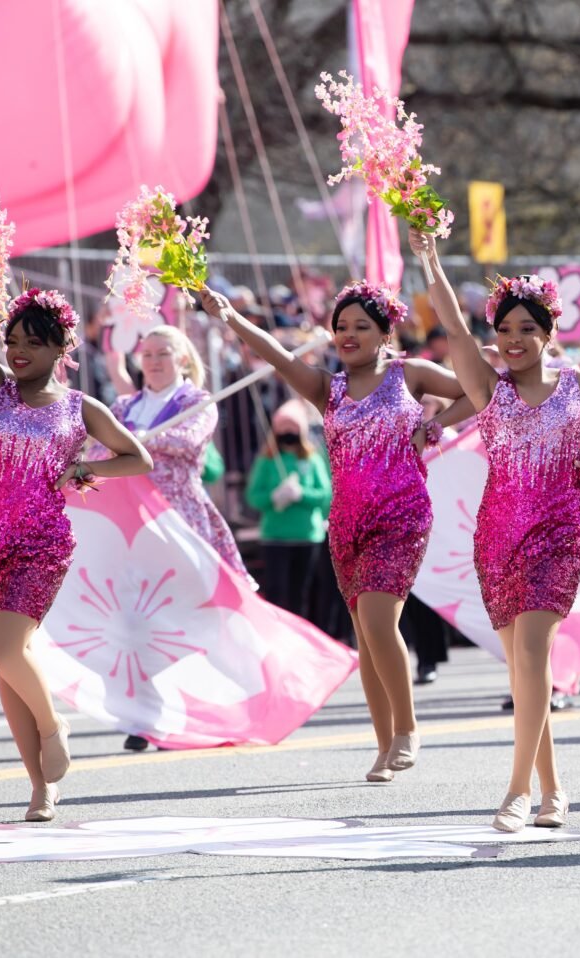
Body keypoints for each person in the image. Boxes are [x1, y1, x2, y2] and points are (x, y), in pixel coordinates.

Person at [411, 228, 580, 833]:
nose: (513, 340)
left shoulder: (576, 384)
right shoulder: (487, 389)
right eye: (505, 329)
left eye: (526, 329)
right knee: (522, 670)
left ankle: (516, 792)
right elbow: (454, 325)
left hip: (559, 532)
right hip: (497, 534)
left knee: (532, 651)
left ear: (547, 333)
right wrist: (430, 259)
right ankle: (553, 788)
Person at [0, 197, 152, 822]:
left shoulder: (80, 408)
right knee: (7, 668)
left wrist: (84, 468)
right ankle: (41, 787)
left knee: (4, 649)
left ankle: (55, 733)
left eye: (34, 342)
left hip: (40, 542)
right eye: (15, 341)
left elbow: (136, 458)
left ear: (61, 348)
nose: (19, 351)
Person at [205, 280, 467, 783]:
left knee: (377, 619)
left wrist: (436, 426)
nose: (348, 335)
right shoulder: (329, 388)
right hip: (346, 522)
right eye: (341, 327)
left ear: (385, 332)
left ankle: (408, 730)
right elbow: (280, 357)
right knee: (367, 638)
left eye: (360, 327)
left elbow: (479, 392)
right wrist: (231, 319)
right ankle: (384, 745)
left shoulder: (409, 375)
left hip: (402, 516)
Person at [101, 325, 250, 751]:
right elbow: (96, 449)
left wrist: (130, 445)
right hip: (131, 525)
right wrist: (124, 444)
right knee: (133, 619)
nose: (153, 361)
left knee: (181, 619)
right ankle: (146, 715)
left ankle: (195, 711)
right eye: (146, 353)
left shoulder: (196, 403)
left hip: (180, 522)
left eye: (163, 353)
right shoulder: (124, 406)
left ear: (182, 358)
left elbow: (186, 441)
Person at [244, 403, 330, 620]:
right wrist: (273, 497)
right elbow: (254, 497)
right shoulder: (267, 460)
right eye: (282, 427)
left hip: (306, 537)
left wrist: (301, 494)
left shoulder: (312, 459)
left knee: (302, 594)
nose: (286, 432)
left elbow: (325, 495)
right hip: (275, 537)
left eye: (291, 427)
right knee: (276, 593)